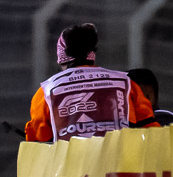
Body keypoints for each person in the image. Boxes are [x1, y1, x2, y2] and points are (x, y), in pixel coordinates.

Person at [24, 23, 158, 141]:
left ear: (62, 58)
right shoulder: (127, 84)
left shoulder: (46, 92)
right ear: (92, 53)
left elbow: (39, 141)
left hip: (73, 169)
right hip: (119, 167)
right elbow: (151, 131)